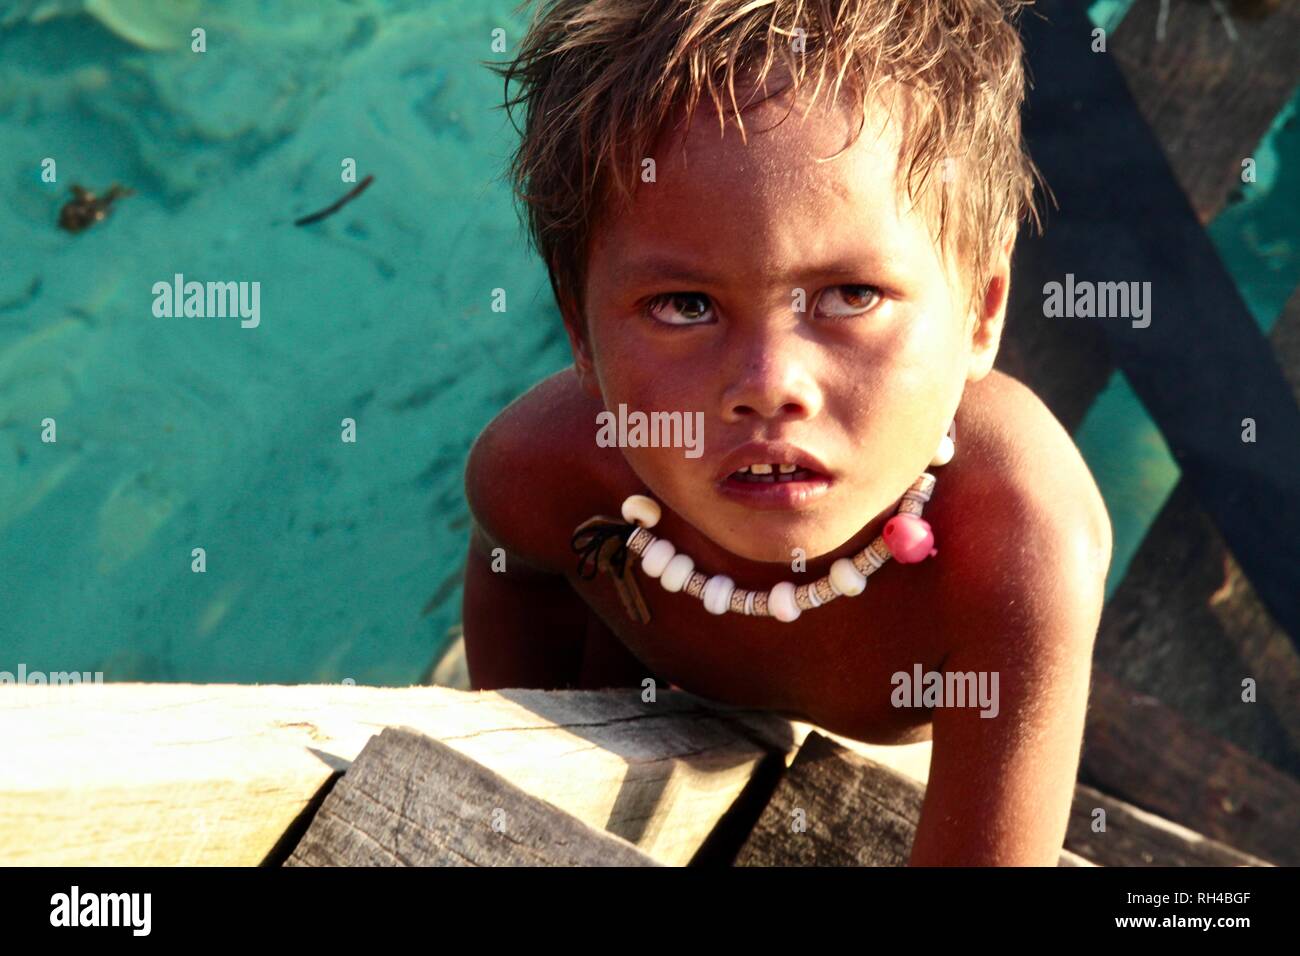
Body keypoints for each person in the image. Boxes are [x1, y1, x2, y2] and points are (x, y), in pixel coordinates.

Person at [461, 0, 1112, 866]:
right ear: (579, 331)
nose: (769, 387)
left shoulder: (1017, 544)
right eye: (685, 307)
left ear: (984, 310)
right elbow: (510, 732)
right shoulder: (546, 474)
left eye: (852, 295)